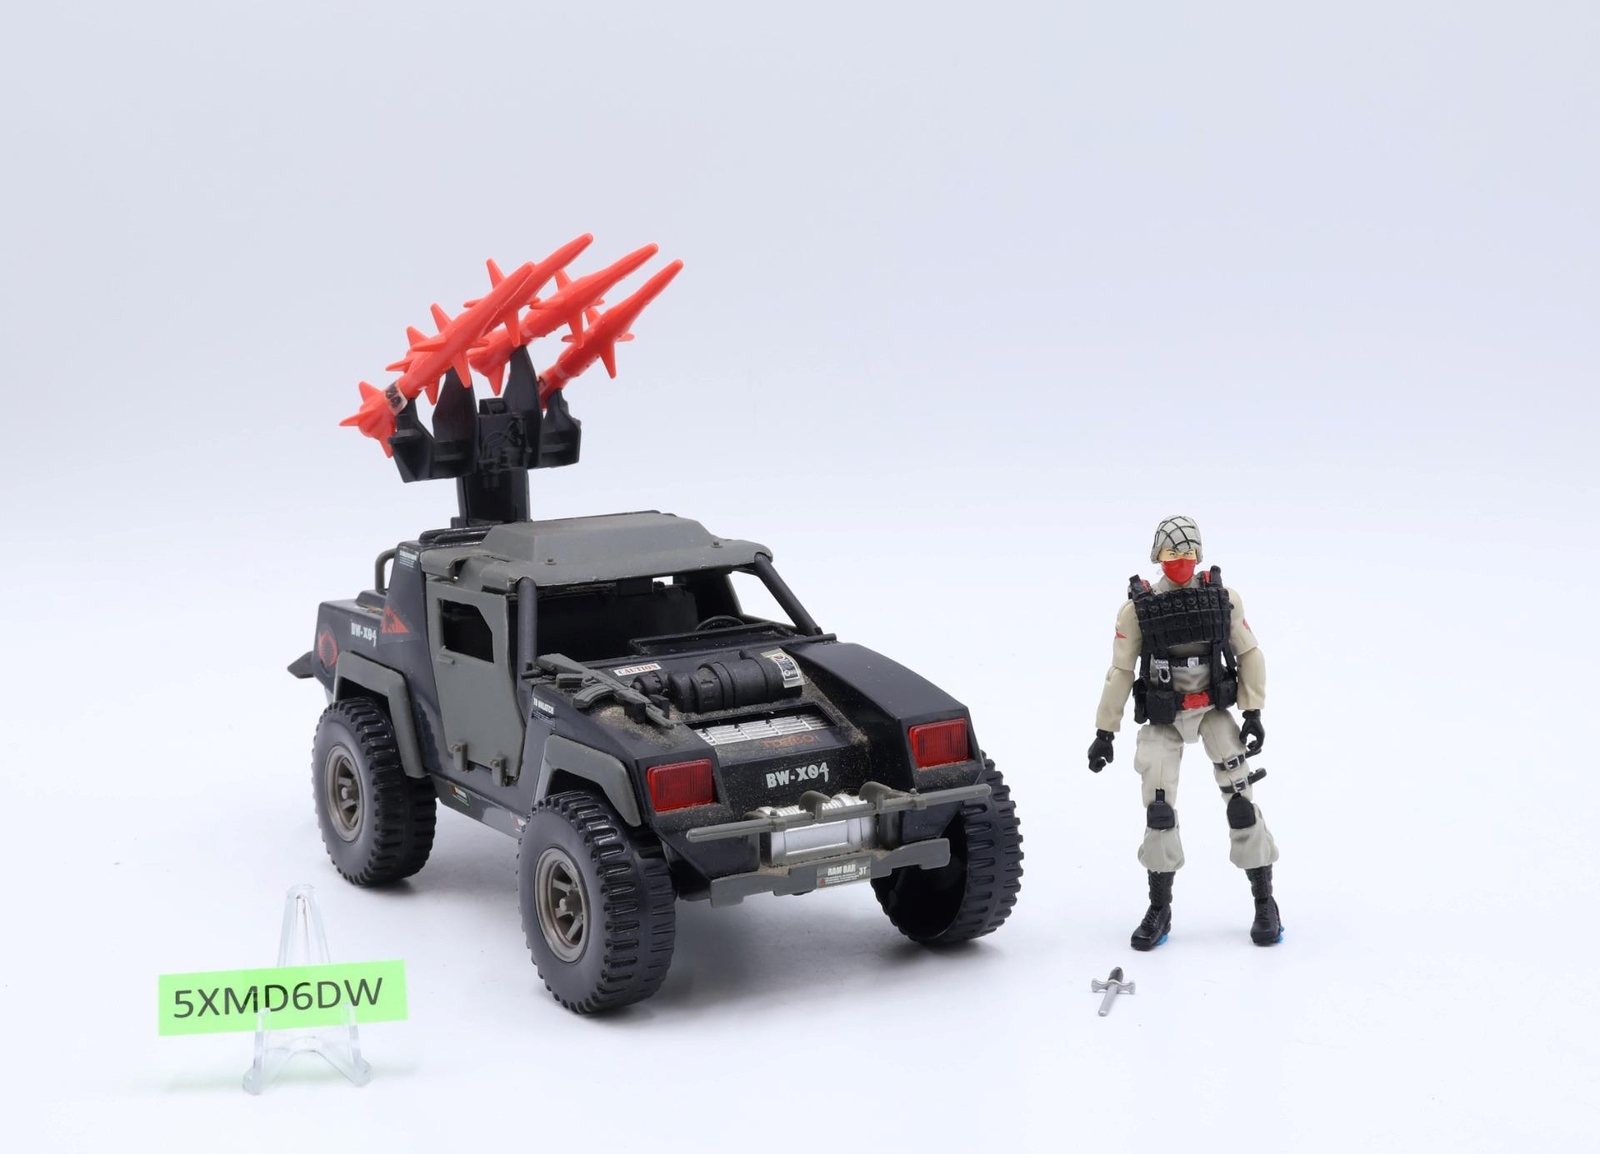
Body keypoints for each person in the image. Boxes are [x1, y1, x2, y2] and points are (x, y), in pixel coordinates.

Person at [1087, 515, 1283, 949]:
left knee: (1240, 802)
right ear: (1157, 556)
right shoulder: (1137, 611)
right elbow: (1120, 672)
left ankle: (1264, 901)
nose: (1181, 559)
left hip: (1213, 712)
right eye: (1172, 552)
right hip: (1164, 718)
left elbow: (1250, 653)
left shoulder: (1223, 600)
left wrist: (1252, 710)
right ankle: (1160, 908)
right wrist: (1105, 731)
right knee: (1159, 810)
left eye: (1188, 551)